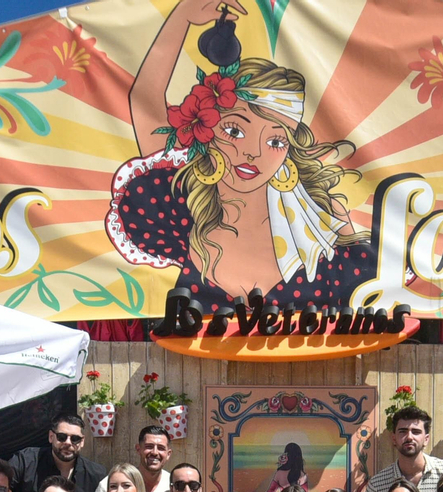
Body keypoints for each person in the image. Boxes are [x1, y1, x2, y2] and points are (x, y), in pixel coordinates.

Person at [115, 0, 376, 314]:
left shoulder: (320, 214)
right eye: (235, 130)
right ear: (206, 128)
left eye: (277, 140)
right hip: (193, 364)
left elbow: (370, 294)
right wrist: (182, 16)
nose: (253, 152)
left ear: (290, 152)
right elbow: (146, 100)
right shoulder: (184, 201)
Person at [83, 426, 215, 492]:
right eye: (149, 446)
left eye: (161, 448)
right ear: (138, 449)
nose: (155, 452)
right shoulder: (112, 485)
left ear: (168, 454)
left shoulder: (176, 485)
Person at [356, 406, 443, 492]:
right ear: (394, 439)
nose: (409, 437)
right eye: (403, 431)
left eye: (416, 432)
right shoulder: (378, 484)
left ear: (426, 439)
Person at [7, 413, 106, 492]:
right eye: (62, 437)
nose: (68, 443)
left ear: (82, 441)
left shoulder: (96, 475)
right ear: (51, 437)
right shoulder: (26, 461)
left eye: (75, 439)